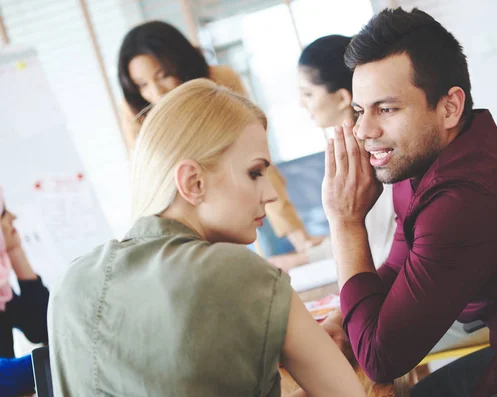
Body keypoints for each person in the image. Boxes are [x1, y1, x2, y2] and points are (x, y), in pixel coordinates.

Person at [320, 6, 497, 397]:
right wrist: (343, 320)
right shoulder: (424, 161)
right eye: (359, 111)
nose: (364, 130)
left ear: (450, 106)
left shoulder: (466, 197)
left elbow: (381, 358)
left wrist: (344, 220)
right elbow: (400, 265)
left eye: (386, 108)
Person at [48, 79, 366, 397]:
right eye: (255, 172)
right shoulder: (238, 271)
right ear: (193, 181)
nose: (270, 194)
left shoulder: (70, 283)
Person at [118, 20, 319, 254]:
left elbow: (256, 161)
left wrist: (297, 235)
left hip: (239, 195)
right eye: (142, 85)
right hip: (186, 220)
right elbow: (146, 185)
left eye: (163, 75)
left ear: (180, 63)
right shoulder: (134, 110)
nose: (156, 92)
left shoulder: (218, 80)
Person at [268, 35, 396, 271]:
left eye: (308, 94)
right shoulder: (354, 152)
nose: (302, 103)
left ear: (341, 98)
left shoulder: (375, 158)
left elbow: (379, 247)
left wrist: (303, 258)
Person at [0, 187, 49, 360]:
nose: (12, 217)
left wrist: (15, 250)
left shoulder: (3, 292)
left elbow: (41, 327)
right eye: (3, 213)